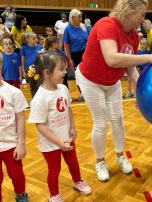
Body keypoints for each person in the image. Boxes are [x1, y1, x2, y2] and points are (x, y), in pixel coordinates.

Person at [75, 0, 152, 182]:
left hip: (111, 82)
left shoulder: (134, 36)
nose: (144, 19)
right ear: (130, 10)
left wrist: (142, 94)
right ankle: (100, 161)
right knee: (101, 122)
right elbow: (112, 58)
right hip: (90, 80)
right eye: (142, 14)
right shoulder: (106, 24)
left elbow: (130, 67)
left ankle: (120, 156)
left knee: (118, 120)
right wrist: (150, 57)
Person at [27, 51, 92, 202]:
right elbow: (40, 125)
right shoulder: (40, 98)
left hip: (66, 137)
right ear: (47, 73)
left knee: (73, 162)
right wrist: (57, 141)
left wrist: (72, 128)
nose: (65, 72)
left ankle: (78, 182)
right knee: (54, 170)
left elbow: (68, 108)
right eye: (61, 69)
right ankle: (53, 195)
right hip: (50, 144)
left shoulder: (62, 88)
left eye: (65, 69)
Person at [0, 53, 29, 202]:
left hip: (11, 144)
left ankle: (21, 194)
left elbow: (20, 119)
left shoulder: (14, 92)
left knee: (16, 175)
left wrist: (21, 144)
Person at [64, 9, 88, 101]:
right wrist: (70, 58)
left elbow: (89, 41)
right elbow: (67, 45)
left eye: (81, 17)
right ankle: (82, 92)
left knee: (88, 73)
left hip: (85, 52)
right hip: (75, 54)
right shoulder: (68, 29)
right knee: (78, 74)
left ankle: (89, 91)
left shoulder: (84, 27)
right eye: (79, 17)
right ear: (73, 17)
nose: (81, 19)